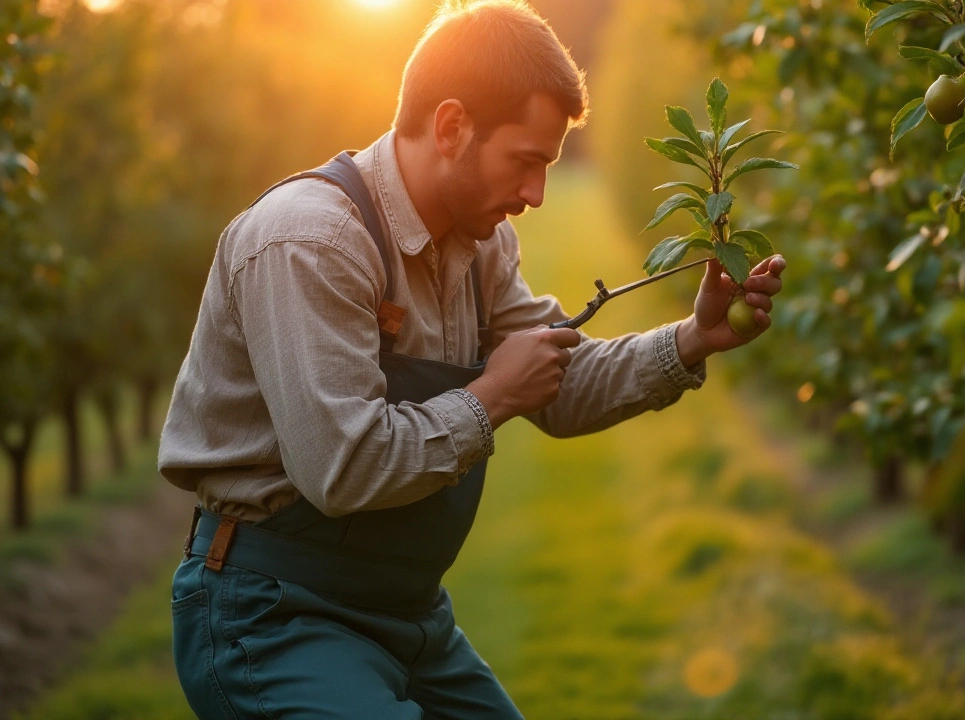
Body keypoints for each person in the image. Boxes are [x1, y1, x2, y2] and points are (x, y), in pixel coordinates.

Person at [158, 1, 786, 718]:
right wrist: (490, 398)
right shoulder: (312, 242)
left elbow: (555, 386)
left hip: (407, 612)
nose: (536, 195)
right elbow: (343, 465)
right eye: (526, 163)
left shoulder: (479, 245)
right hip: (274, 613)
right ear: (452, 126)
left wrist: (694, 338)